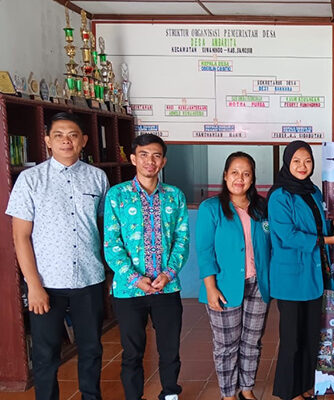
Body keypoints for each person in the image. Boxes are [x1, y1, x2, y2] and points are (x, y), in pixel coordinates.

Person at [6, 112, 109, 400]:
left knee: (91, 349)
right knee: (45, 355)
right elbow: (20, 237)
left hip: (89, 279)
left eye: (73, 135)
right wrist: (33, 286)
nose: (66, 141)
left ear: (83, 141)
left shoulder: (98, 178)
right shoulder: (30, 180)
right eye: (59, 135)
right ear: (48, 141)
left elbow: (104, 227)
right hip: (46, 283)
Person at [103, 133, 189, 400]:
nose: (150, 161)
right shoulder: (117, 195)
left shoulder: (174, 196)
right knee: (132, 352)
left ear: (163, 161)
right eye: (143, 155)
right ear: (133, 159)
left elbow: (182, 239)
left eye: (156, 155)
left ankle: (170, 393)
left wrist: (168, 273)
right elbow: (111, 243)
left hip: (167, 287)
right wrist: (134, 278)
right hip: (129, 290)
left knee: (169, 348)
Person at [268, 141, 334, 400]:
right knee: (292, 339)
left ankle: (305, 385)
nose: (302, 166)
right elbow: (288, 236)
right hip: (290, 278)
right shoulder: (279, 196)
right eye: (296, 161)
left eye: (307, 161)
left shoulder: (313, 191)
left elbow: (317, 226)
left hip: (314, 275)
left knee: (311, 336)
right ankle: (288, 392)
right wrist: (329, 240)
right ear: (287, 163)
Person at [196, 152, 271, 400]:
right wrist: (210, 287)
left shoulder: (262, 208)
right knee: (226, 345)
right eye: (235, 172)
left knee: (252, 341)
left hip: (258, 285)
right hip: (224, 286)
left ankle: (246, 390)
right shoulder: (211, 208)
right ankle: (228, 394)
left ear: (253, 178)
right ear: (225, 175)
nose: (240, 178)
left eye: (246, 174)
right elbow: (204, 251)